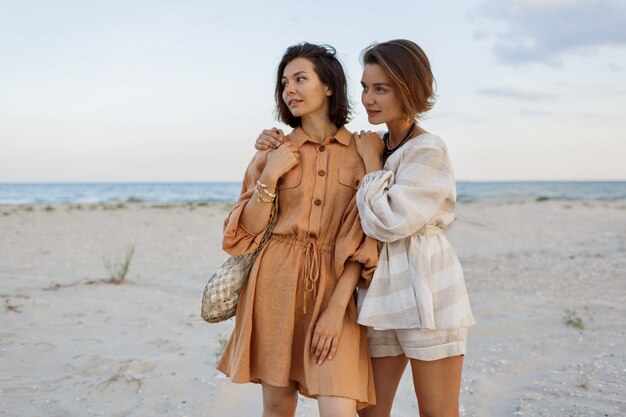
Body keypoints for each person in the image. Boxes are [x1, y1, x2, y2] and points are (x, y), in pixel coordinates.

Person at [255, 39, 475, 417]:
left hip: (427, 290)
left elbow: (389, 221)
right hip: (376, 296)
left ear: (408, 89)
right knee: (370, 412)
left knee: (438, 411)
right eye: (364, 87)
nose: (368, 99)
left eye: (380, 89)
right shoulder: (376, 144)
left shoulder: (427, 150)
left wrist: (373, 166)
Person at [217, 42, 378, 417]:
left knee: (339, 407)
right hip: (273, 281)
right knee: (277, 407)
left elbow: (365, 236)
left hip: (334, 286)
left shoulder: (363, 152)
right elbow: (243, 233)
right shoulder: (273, 150)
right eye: (285, 82)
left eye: (301, 79)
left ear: (328, 87)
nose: (289, 89)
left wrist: (336, 309)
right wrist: (270, 174)